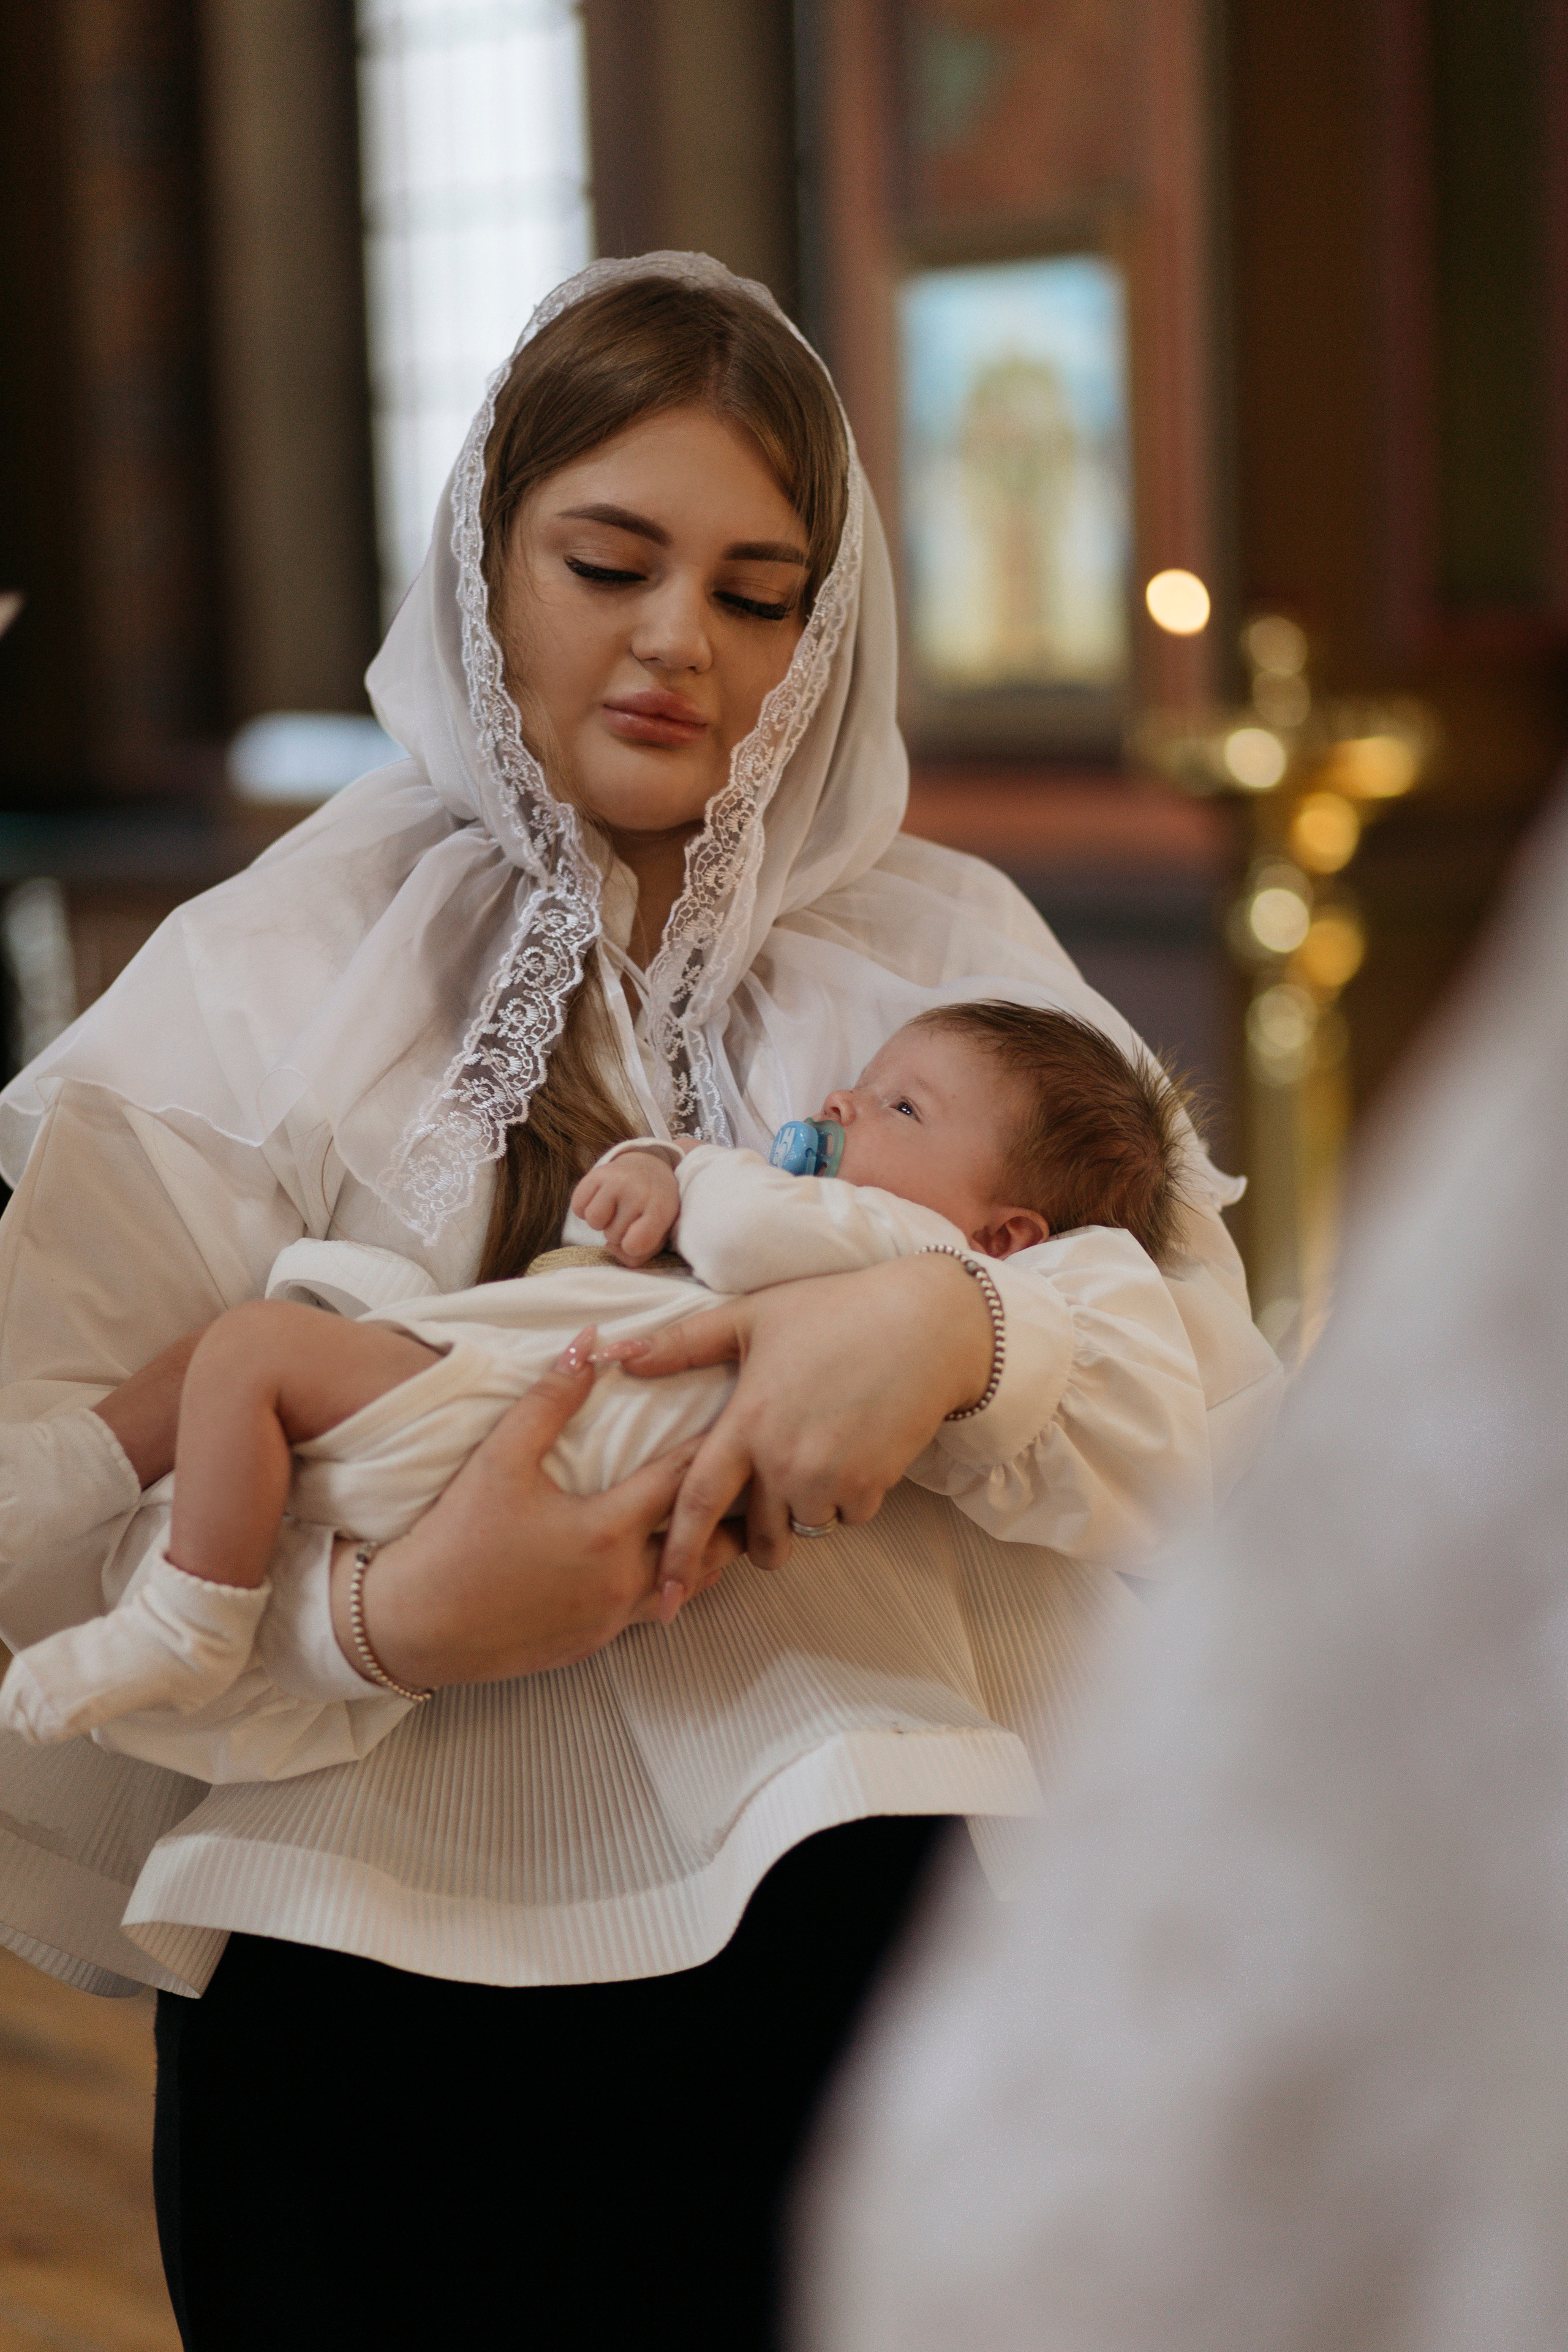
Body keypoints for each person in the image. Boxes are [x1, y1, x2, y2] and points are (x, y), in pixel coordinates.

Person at [0, 256, 1280, 2348]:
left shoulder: (943, 958)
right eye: (612, 561)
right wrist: (391, 1619)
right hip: (374, 2032)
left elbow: (1216, 1435)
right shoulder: (257, 989)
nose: (684, 640)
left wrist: (954, 1335)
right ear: (484, 557)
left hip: (876, 1982)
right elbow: (45, 1527)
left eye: (763, 594)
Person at [797, 780, 1568, 2352]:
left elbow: (1205, 1422)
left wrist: (949, 1330)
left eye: (897, 1110)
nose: (838, 1112)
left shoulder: (1004, 1136)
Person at [0, 1002, 1192, 1744]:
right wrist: (653, 1167)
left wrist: (687, 1169)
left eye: (897, 1104)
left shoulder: (905, 1248)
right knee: (230, 1361)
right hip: (512, 1384)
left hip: (526, 1415)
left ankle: (189, 1610)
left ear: (1008, 1236)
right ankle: (70, 1474)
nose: (837, 1105)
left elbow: (739, 1231)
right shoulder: (862, 1232)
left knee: (250, 1354)